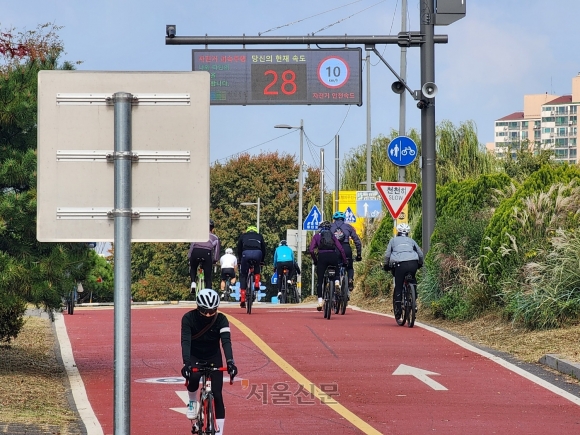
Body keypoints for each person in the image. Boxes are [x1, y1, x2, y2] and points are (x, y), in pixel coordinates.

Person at [180, 289, 238, 434]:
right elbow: (185, 342)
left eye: (212, 311)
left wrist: (230, 362)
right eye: (205, 311)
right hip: (195, 356)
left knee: (217, 395)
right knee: (192, 377)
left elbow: (226, 342)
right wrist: (186, 363)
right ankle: (193, 401)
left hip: (213, 357)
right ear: (198, 307)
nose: (208, 314)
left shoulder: (222, 319)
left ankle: (220, 432)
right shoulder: (188, 318)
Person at [383, 223, 424, 320]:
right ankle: (414, 301)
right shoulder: (412, 241)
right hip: (413, 263)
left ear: (398, 231)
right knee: (413, 280)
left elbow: (387, 254)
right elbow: (420, 254)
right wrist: (420, 264)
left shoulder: (393, 241)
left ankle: (398, 311)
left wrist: (386, 265)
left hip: (400, 264)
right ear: (408, 233)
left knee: (399, 285)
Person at [309, 221, 347, 311]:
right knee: (336, 269)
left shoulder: (317, 236)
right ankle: (337, 282)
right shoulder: (332, 236)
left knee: (320, 280)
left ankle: (320, 301)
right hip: (333, 256)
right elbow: (341, 249)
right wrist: (345, 261)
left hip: (322, 257)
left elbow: (311, 250)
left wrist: (315, 260)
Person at [330, 211, 362, 294]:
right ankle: (350, 279)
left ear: (334, 219)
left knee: (334, 265)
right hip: (346, 248)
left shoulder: (330, 226)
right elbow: (357, 241)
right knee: (349, 266)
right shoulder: (348, 227)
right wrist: (359, 255)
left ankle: (335, 282)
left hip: (335, 249)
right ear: (343, 219)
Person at [236, 225, 266, 309]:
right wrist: (262, 260)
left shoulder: (243, 236)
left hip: (246, 254)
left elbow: (239, 249)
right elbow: (263, 249)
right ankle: (256, 283)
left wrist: (239, 261)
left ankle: (242, 298)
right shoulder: (259, 236)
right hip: (258, 253)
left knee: (243, 275)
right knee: (257, 265)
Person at [188, 220, 220, 294]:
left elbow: (192, 246)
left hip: (195, 251)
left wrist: (190, 257)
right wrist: (215, 260)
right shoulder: (215, 238)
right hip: (206, 253)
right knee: (208, 276)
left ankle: (193, 282)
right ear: (212, 229)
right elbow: (216, 251)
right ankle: (208, 291)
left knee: (193, 267)